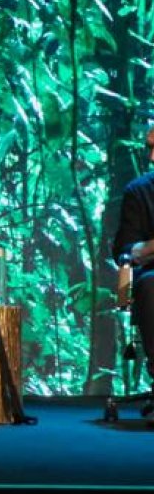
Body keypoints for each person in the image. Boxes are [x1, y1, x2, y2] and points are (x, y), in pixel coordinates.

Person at [112, 121, 154, 418]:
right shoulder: (139, 192)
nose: (151, 157)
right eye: (150, 148)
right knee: (150, 285)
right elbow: (126, 252)